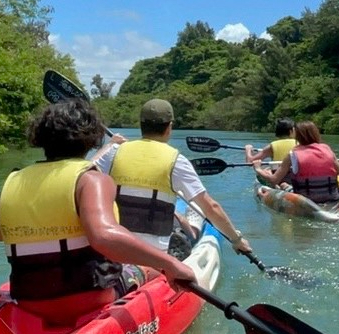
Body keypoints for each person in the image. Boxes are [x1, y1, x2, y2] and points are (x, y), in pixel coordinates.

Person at [0, 98, 196, 327]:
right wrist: (169, 263)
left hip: (28, 299)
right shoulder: (90, 180)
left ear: (41, 137)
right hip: (89, 298)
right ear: (91, 139)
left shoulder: (13, 179)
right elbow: (103, 236)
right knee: (149, 270)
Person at [92, 98, 253, 260]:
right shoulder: (177, 160)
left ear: (141, 125)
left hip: (116, 248)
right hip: (154, 254)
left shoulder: (114, 152)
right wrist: (237, 239)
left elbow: (82, 173)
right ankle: (184, 235)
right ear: (169, 128)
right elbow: (211, 206)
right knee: (195, 206)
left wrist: (109, 146)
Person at [253, 121, 339, 204]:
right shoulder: (327, 149)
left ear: (297, 136)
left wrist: (258, 169)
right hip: (331, 197)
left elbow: (274, 180)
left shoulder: (292, 155)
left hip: (305, 200)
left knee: (283, 184)